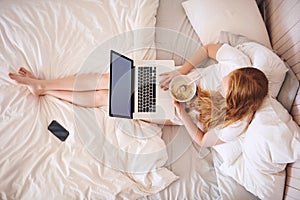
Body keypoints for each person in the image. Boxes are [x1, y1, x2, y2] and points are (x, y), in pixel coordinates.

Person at [8, 43, 269, 147]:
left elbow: (202, 140)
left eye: (225, 88)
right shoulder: (238, 64)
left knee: (107, 98)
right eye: (228, 77)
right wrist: (183, 69)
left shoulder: (236, 125)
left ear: (235, 101)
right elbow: (210, 47)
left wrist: (181, 114)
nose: (224, 80)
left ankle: (43, 88)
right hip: (177, 79)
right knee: (109, 80)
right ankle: (42, 86)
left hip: (176, 113)